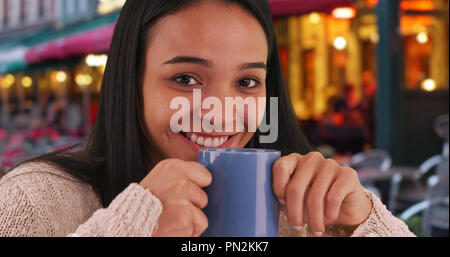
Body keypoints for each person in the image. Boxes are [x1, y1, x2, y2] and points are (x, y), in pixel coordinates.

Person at [0, 0, 414, 237]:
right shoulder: (35, 202)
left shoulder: (304, 213)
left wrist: (365, 222)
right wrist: (129, 226)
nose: (222, 109)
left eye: (248, 81)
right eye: (185, 78)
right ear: (132, 82)